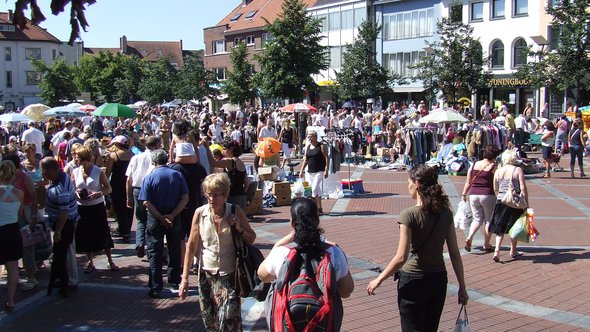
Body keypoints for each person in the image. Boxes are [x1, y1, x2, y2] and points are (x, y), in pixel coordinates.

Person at [366, 165, 468, 332]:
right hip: (438, 279)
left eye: (409, 182)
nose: (408, 187)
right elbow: (455, 254)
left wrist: (379, 279)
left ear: (417, 184)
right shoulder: (446, 213)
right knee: (430, 328)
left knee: (411, 327)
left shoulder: (409, 215)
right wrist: (462, 287)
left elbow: (401, 257)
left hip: (413, 279)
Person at [257, 197, 354, 330]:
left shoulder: (282, 252)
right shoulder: (333, 252)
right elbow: (346, 291)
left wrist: (279, 243)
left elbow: (263, 275)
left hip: (288, 323)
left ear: (292, 223)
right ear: (317, 220)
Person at [179, 173, 256, 331]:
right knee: (211, 323)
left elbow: (251, 238)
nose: (211, 199)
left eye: (216, 195)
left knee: (228, 320)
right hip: (206, 276)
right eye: (208, 194)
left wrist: (239, 228)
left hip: (229, 276)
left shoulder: (235, 211)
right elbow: (192, 246)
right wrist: (185, 278)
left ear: (225, 194)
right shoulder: (200, 213)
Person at [139, 149, 188, 298]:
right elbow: (185, 197)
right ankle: (174, 280)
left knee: (155, 251)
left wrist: (161, 217)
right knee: (174, 248)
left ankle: (155, 285)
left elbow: (146, 202)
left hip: (156, 216)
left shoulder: (149, 178)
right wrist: (172, 216)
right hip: (174, 215)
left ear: (154, 162)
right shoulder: (178, 175)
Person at [72, 147, 118, 273]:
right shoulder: (75, 171)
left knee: (103, 233)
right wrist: (76, 193)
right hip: (82, 207)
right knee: (86, 234)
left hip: (96, 206)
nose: (76, 160)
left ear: (85, 158)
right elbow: (72, 188)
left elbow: (108, 189)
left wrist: (98, 194)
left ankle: (110, 260)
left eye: (78, 158)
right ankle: (90, 262)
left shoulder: (98, 171)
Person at [42, 157, 79, 297]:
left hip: (65, 224)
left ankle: (69, 281)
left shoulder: (60, 188)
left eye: (44, 170)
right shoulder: (62, 176)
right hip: (65, 222)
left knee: (65, 254)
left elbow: (64, 212)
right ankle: (67, 280)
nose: (43, 173)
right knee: (64, 253)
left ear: (52, 170)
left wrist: (58, 231)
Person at [3, 154, 39, 291]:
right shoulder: (4, 180)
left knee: (26, 246)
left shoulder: (25, 177)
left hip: (23, 213)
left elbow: (34, 197)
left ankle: (31, 275)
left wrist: (34, 216)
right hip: (8, 216)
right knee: (8, 246)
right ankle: (13, 275)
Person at [488, 150, 529, 262]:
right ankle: (513, 250)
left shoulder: (498, 171)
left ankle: (497, 251)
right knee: (514, 226)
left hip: (501, 200)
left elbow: (495, 187)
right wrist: (526, 202)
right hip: (514, 201)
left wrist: (499, 196)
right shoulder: (517, 170)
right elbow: (523, 187)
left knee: (499, 227)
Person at [462, 145, 501, 253]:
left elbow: (468, 181)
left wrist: (464, 194)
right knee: (488, 220)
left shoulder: (474, 164)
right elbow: (497, 180)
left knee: (477, 219)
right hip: (487, 194)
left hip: (473, 194)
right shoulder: (493, 166)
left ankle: (469, 237)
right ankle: (487, 244)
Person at [126, 136, 160, 258]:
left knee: (140, 218)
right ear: (156, 145)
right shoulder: (157, 158)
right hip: (151, 189)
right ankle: (150, 244)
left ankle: (140, 242)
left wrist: (128, 197)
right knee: (151, 218)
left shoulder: (136, 158)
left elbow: (129, 179)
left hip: (137, 189)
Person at [0, 160, 24, 312]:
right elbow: (20, 213)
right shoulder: (19, 193)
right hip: (13, 230)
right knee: (13, 266)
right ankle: (11, 300)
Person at [106, 135, 134, 242]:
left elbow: (108, 172)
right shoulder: (132, 155)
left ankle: (124, 230)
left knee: (119, 207)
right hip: (129, 183)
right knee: (129, 206)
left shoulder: (113, 155)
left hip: (117, 184)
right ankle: (127, 228)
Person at [299, 131, 329, 214]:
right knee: (317, 190)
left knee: (314, 188)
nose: (309, 138)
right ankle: (320, 208)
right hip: (310, 172)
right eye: (308, 137)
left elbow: (327, 157)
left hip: (319, 171)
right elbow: (306, 160)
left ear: (315, 137)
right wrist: (301, 170)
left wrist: (327, 169)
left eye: (311, 137)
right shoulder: (308, 147)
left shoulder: (321, 146)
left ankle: (313, 209)